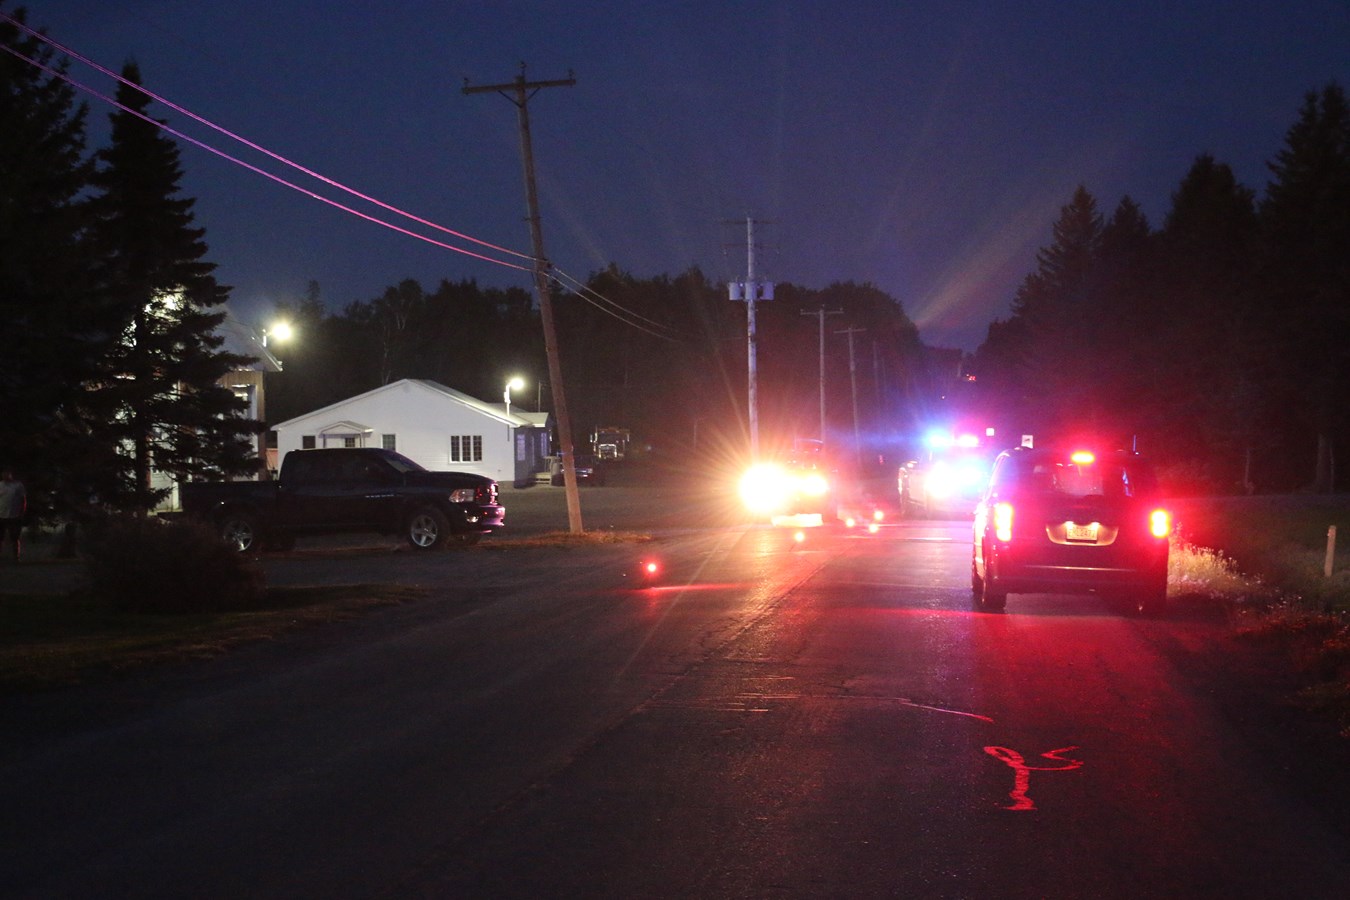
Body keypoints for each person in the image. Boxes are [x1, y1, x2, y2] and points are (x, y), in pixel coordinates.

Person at [0, 469, 26, 562]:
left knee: (15, 538)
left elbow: (23, 499)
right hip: (1, 516)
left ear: (11, 474)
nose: (5, 475)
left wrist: (22, 512)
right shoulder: (0, 485)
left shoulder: (18, 485)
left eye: (7, 473)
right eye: (3, 474)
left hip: (14, 516)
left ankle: (16, 557)